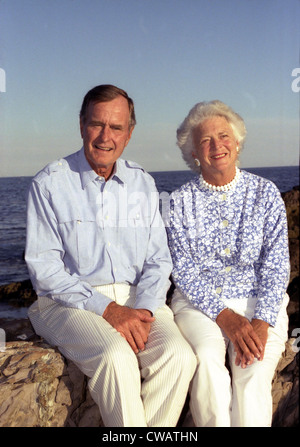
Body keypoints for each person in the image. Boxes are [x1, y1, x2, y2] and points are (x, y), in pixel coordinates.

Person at [26, 84, 196, 427]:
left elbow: (158, 260)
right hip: (66, 303)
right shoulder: (49, 184)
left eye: (116, 127)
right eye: (97, 124)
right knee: (116, 357)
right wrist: (108, 310)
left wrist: (145, 308)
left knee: (179, 357)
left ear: (129, 133)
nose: (106, 136)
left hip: (137, 300)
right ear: (81, 125)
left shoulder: (142, 183)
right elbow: (45, 269)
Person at [165, 100, 290, 427]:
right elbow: (183, 272)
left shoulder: (265, 193)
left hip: (260, 303)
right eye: (205, 140)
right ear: (193, 152)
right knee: (207, 361)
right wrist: (225, 317)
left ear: (237, 143)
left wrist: (262, 321)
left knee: (251, 370)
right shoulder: (178, 202)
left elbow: (277, 265)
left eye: (223, 136)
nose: (216, 145)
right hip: (199, 306)